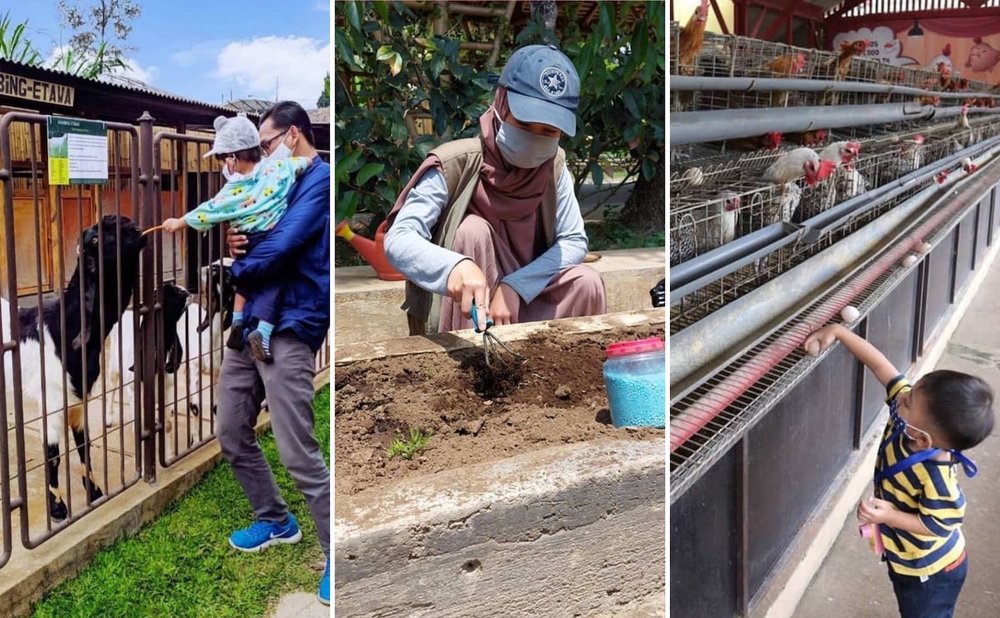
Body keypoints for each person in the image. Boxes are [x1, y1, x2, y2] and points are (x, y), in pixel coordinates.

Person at [384, 44, 606, 336]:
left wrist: (517, 286)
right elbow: (398, 239)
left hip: (526, 301)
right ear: (501, 104)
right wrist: (454, 268)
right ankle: (469, 369)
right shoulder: (455, 163)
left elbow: (575, 240)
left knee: (587, 283)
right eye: (525, 123)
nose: (535, 138)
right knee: (472, 230)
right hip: (469, 307)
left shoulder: (554, 167)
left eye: (549, 131)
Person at [217, 101, 331, 604]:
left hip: (292, 324)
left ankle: (338, 553)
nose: (260, 156)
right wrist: (235, 241)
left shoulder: (320, 181)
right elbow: (252, 233)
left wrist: (237, 269)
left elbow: (282, 246)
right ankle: (275, 520)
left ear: (292, 136)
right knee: (230, 430)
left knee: (297, 451)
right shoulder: (274, 181)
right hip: (252, 323)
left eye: (265, 145)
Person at [804, 324, 994, 618]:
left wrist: (888, 516)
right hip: (904, 557)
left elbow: (937, 525)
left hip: (931, 572)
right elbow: (881, 365)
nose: (900, 396)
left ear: (922, 439)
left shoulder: (936, 477)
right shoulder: (908, 418)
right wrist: (839, 333)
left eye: (907, 401)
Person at [162, 113, 312, 363]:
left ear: (233, 157)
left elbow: (210, 209)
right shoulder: (275, 168)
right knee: (274, 284)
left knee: (248, 278)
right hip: (271, 238)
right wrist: (307, 162)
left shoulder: (234, 188)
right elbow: (298, 163)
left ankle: (242, 322)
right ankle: (260, 331)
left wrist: (179, 222)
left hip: (247, 241)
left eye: (223, 159)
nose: (223, 166)